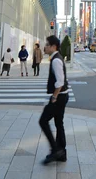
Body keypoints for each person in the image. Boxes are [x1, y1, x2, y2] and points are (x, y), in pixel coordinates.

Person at [39, 35, 69, 165]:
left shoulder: (56, 60)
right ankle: (61, 152)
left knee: (43, 121)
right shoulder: (57, 58)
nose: (45, 47)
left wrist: (54, 97)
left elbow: (60, 82)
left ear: (53, 47)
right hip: (63, 95)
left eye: (47, 44)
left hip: (60, 96)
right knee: (58, 123)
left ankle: (55, 150)